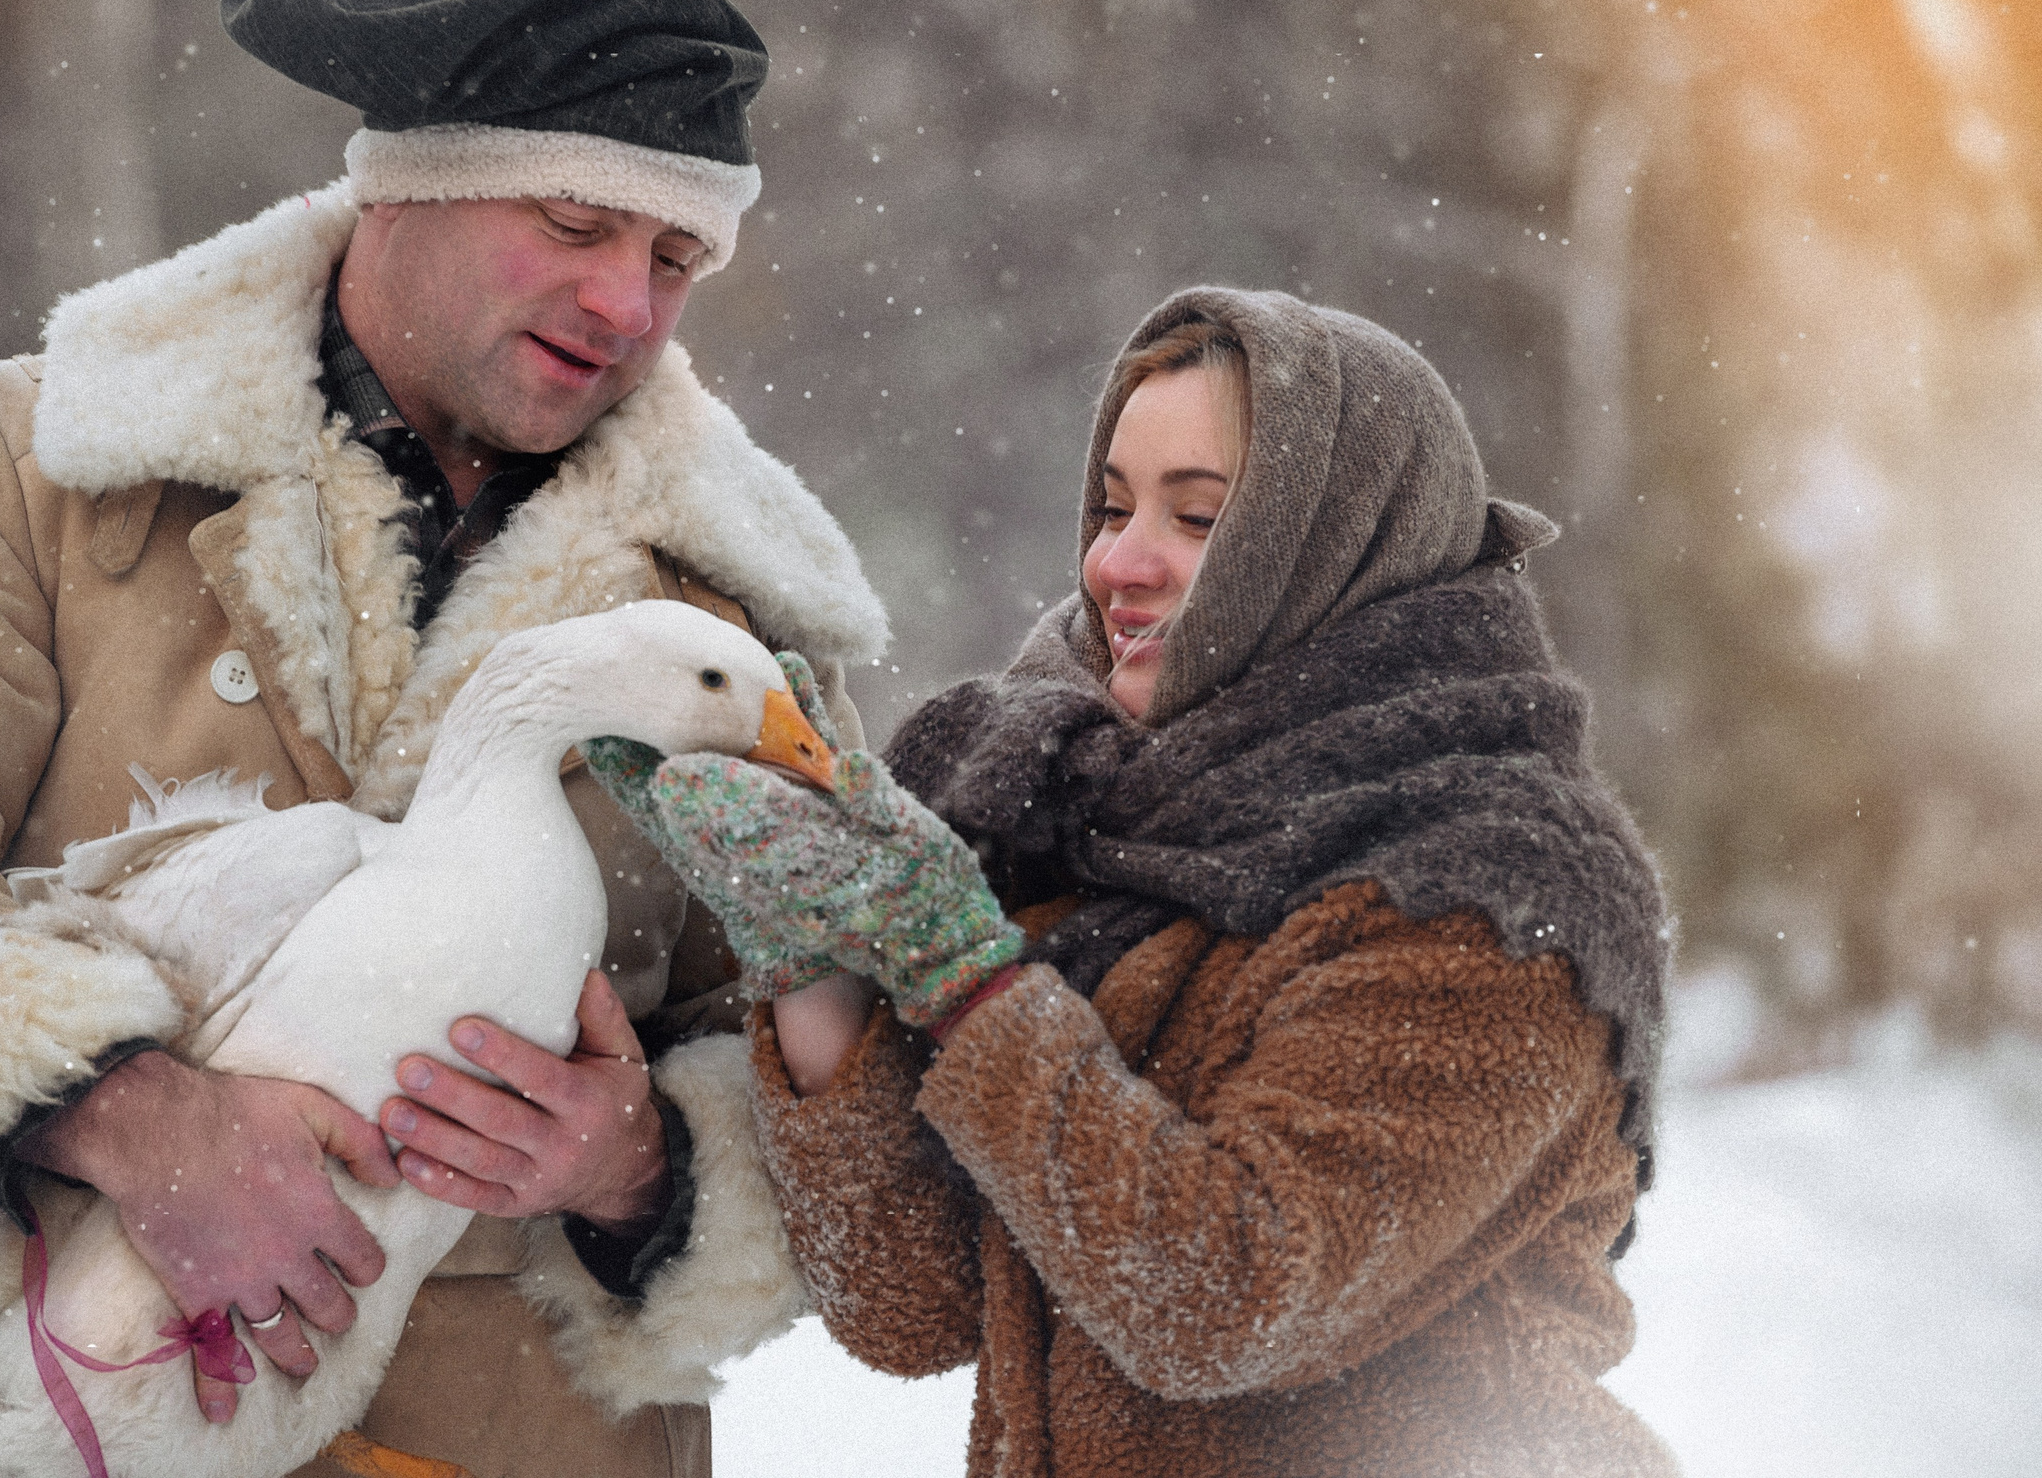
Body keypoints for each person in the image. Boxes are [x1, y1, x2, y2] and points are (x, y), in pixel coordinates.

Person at [0, 0, 887, 1478]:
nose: (627, 300)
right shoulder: (38, 467)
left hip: (513, 1428)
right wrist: (125, 1117)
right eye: (579, 220)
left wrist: (647, 1166)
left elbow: (836, 1044)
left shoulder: (744, 627)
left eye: (678, 259)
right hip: (18, 1396)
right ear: (404, 187)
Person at [602, 287, 1678, 1474]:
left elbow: (1222, 1296)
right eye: (1112, 505)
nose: (1117, 558)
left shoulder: (1495, 897)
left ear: (1330, 546)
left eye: (1199, 514)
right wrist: (817, 962)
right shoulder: (1100, 825)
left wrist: (960, 973)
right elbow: (912, 1303)